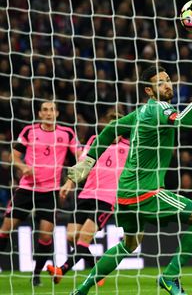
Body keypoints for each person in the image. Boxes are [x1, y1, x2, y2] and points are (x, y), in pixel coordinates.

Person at [67, 60, 192, 295]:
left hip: (125, 194)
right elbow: (184, 121)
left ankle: (81, 290)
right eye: (160, 83)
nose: (167, 85)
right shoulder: (159, 108)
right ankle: (170, 276)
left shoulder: (140, 113)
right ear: (149, 91)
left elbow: (111, 129)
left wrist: (89, 160)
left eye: (168, 80)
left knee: (129, 245)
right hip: (147, 192)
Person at [0, 100, 79, 286]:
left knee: (45, 236)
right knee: (5, 228)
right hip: (27, 189)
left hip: (50, 192)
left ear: (57, 113)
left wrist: (69, 182)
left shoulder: (67, 133)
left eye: (52, 110)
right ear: (40, 114)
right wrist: (23, 167)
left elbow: (80, 159)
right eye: (45, 110)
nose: (49, 113)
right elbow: (14, 155)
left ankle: (36, 275)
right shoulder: (29, 131)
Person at [47, 111, 130, 286]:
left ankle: (61, 269)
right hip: (86, 194)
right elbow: (81, 165)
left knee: (83, 240)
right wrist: (68, 184)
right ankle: (97, 271)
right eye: (111, 123)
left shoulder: (129, 147)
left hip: (107, 199)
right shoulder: (94, 141)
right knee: (71, 237)